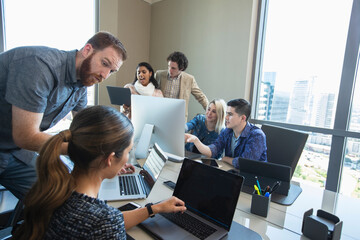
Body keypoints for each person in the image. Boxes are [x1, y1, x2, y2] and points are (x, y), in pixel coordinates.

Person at [12, 105, 186, 240]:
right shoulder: (102, 222)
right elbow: (105, 224)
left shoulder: (55, 189)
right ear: (110, 159)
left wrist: (153, 209)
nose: (127, 158)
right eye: (128, 151)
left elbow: (109, 221)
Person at [0, 31, 128, 200]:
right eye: (105, 63)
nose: (105, 75)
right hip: (16, 142)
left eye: (112, 71)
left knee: (63, 194)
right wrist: (90, 154)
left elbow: (88, 128)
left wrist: (114, 156)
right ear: (87, 50)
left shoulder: (81, 84)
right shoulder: (39, 66)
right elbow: (26, 136)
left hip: (15, 150)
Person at [185, 98, 267, 168]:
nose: (226, 117)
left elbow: (244, 164)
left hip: (254, 181)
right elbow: (212, 151)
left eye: (230, 114)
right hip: (234, 174)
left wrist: (226, 159)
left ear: (242, 118)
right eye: (227, 113)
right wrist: (196, 140)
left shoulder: (257, 135)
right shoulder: (227, 132)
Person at [155, 51, 208, 121]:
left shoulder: (189, 79)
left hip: (178, 118)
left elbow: (201, 97)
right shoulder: (159, 75)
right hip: (159, 115)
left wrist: (211, 110)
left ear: (181, 68)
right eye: (168, 66)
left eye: (173, 68)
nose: (170, 70)